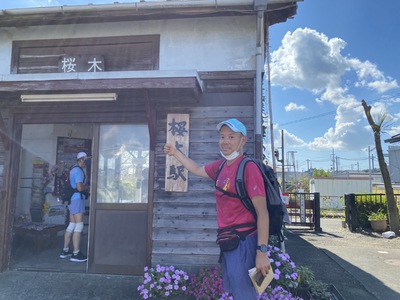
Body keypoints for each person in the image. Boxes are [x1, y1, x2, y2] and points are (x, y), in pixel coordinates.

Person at [164, 118, 271, 299]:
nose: (225, 141)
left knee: (245, 294)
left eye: (231, 136)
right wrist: (176, 153)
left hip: (245, 242)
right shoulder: (220, 166)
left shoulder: (248, 167)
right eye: (222, 136)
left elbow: (263, 212)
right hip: (228, 241)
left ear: (242, 140)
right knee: (236, 292)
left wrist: (262, 252)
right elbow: (197, 169)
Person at [59, 152, 91, 263]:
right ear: (81, 160)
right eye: (86, 160)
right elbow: (79, 187)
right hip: (77, 199)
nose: (87, 162)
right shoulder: (79, 171)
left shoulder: (73, 169)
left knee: (71, 225)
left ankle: (65, 250)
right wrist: (87, 187)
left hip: (72, 200)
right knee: (79, 226)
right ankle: (76, 253)